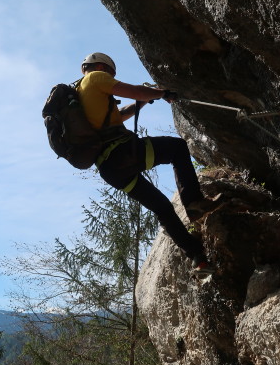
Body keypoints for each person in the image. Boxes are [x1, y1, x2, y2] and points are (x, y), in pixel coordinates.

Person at [78, 52, 219, 275]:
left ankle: (198, 259)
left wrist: (144, 101)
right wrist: (161, 93)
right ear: (102, 67)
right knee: (177, 148)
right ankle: (194, 202)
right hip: (123, 152)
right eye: (112, 74)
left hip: (110, 170)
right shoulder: (96, 77)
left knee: (162, 208)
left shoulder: (81, 97)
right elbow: (133, 91)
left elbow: (120, 114)